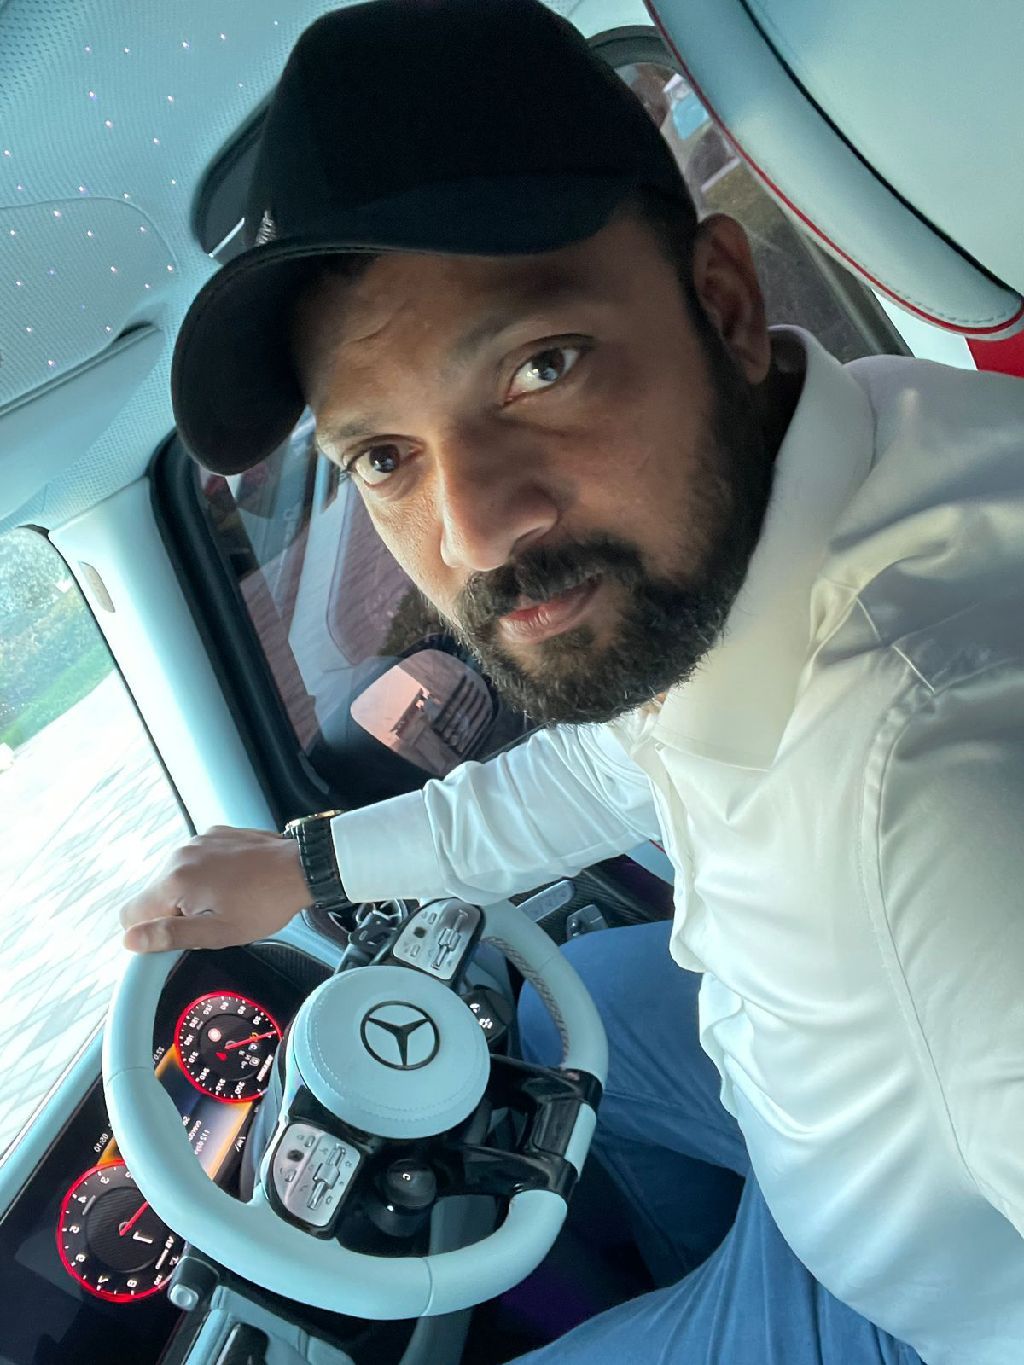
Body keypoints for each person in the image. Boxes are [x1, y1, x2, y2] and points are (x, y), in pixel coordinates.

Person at [122, 2, 1024, 1361]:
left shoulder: (951, 825)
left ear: (723, 304)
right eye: (386, 459)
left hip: (913, 1303)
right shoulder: (842, 449)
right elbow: (603, 764)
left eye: (539, 367)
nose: (477, 531)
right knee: (559, 1000)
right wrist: (307, 865)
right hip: (814, 1096)